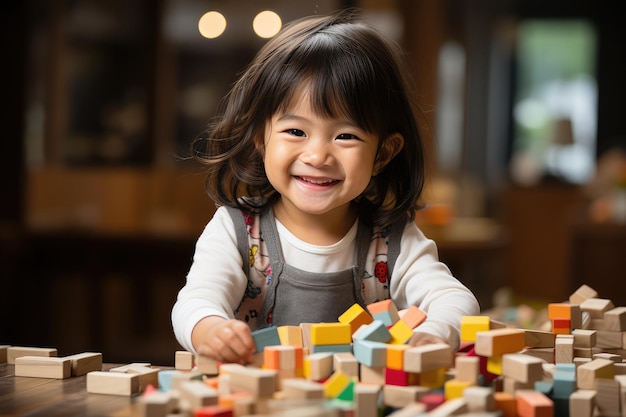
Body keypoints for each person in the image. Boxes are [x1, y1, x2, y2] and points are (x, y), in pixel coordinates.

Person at [171, 9, 480, 365]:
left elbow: (455, 300)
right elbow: (195, 301)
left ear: (383, 154)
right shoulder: (237, 229)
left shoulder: (392, 240)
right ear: (261, 138)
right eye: (295, 131)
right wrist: (210, 330)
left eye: (345, 136)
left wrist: (435, 333)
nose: (318, 156)